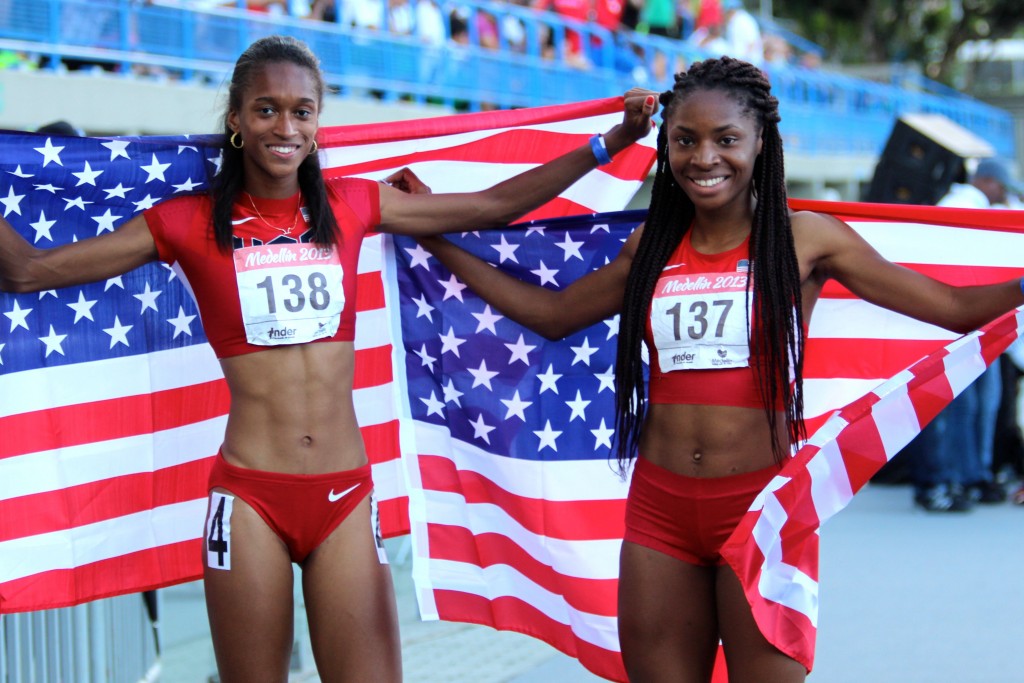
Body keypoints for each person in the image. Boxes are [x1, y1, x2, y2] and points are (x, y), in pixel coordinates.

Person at [0, 34, 656, 683]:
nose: (285, 126)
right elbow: (29, 271)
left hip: (344, 494)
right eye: (266, 109)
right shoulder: (186, 222)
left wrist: (612, 143)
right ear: (236, 119)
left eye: (302, 110)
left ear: (318, 121)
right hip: (249, 494)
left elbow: (492, 206)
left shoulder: (350, 205)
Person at [416, 56, 1024, 681]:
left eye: (726, 139)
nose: (704, 158)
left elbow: (954, 307)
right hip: (660, 512)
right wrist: (438, 239)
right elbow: (550, 314)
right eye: (685, 140)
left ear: (762, 141)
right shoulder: (650, 245)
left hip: (760, 510)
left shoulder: (806, 238)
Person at [908, 157, 1019, 511]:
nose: (1003, 194)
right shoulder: (959, 206)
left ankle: (971, 475)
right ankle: (942, 480)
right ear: (986, 181)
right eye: (999, 186)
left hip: (979, 324)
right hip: (954, 325)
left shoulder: (983, 208)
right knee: (955, 407)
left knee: (981, 405)